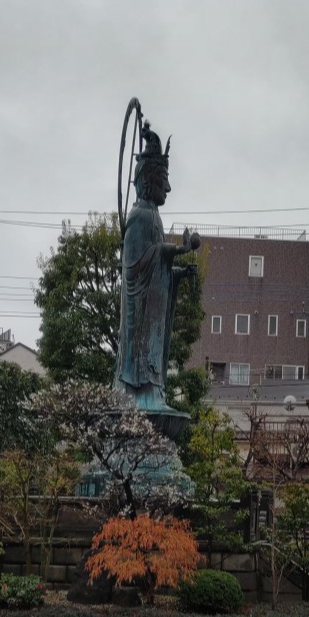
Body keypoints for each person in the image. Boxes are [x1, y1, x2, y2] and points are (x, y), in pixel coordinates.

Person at [116, 120, 199, 413]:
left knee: (153, 353)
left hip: (152, 309)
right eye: (164, 179)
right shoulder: (140, 216)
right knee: (143, 354)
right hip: (140, 317)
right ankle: (140, 391)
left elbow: (155, 268)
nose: (168, 187)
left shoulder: (153, 216)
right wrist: (175, 250)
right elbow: (135, 267)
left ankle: (153, 391)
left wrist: (177, 272)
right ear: (149, 180)